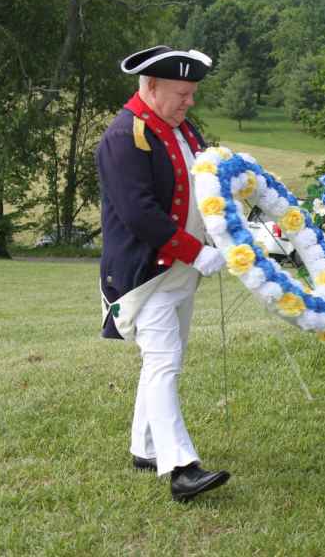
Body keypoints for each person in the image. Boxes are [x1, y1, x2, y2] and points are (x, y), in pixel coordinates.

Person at [96, 45, 230, 502]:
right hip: (145, 274)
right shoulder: (123, 136)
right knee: (164, 360)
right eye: (182, 93)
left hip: (181, 270)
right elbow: (139, 214)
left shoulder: (182, 128)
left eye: (192, 93)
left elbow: (204, 183)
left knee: (164, 359)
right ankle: (181, 468)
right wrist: (195, 251)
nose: (190, 102)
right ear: (150, 88)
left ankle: (144, 447)